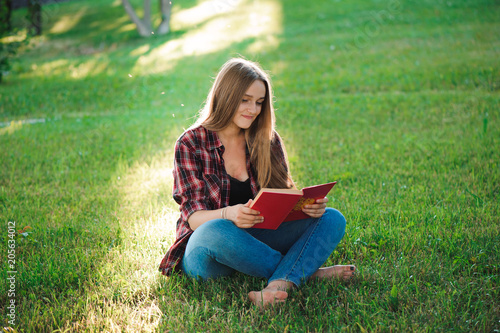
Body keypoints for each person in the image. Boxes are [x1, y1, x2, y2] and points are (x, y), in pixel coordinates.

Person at [159, 58, 356, 307]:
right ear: (226, 95)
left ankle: (278, 285)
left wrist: (305, 207)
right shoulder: (191, 143)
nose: (252, 109)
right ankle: (305, 274)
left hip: (256, 240)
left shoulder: (267, 139)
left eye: (259, 102)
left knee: (332, 218)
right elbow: (193, 217)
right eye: (245, 99)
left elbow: (283, 200)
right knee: (215, 229)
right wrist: (229, 214)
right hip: (207, 252)